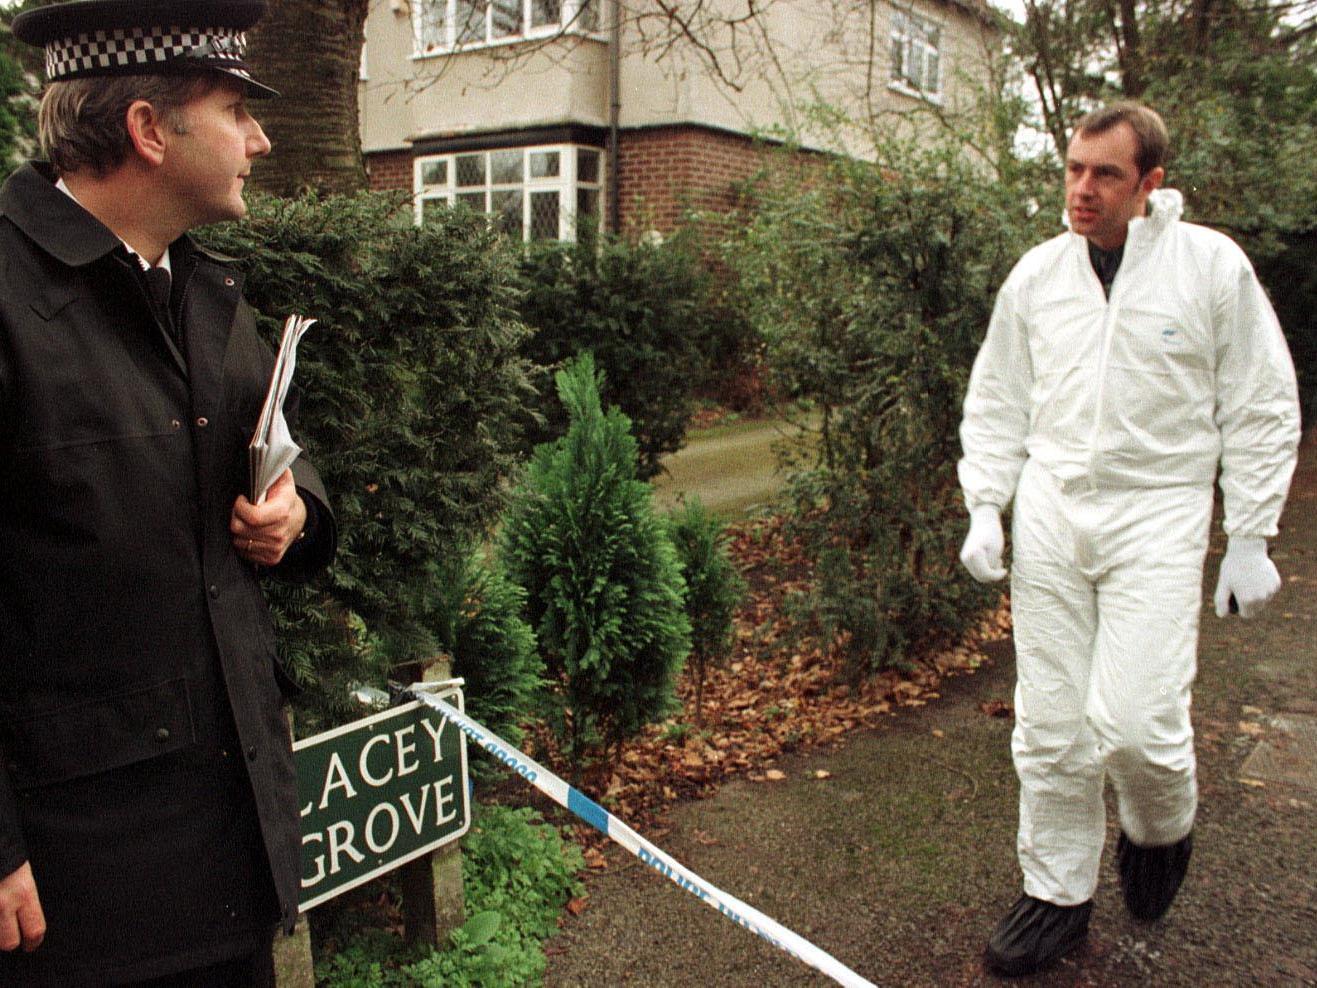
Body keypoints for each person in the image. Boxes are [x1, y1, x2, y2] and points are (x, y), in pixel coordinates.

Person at [0, 1, 336, 983]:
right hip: (78, 900)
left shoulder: (203, 290)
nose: (260, 139)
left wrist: (296, 514)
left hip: (228, 858)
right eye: (235, 109)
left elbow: (280, 450)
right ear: (149, 130)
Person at [957, 102, 1300, 977]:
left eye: (1104, 174)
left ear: (1148, 184)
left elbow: (1258, 401)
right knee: (1051, 726)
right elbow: (998, 396)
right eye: (1073, 168)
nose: (1080, 189)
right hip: (1053, 510)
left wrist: (1250, 532)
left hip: (1159, 509)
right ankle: (1055, 894)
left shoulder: (1207, 268)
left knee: (1137, 725)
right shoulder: (1037, 277)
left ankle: (1159, 826)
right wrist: (986, 504)